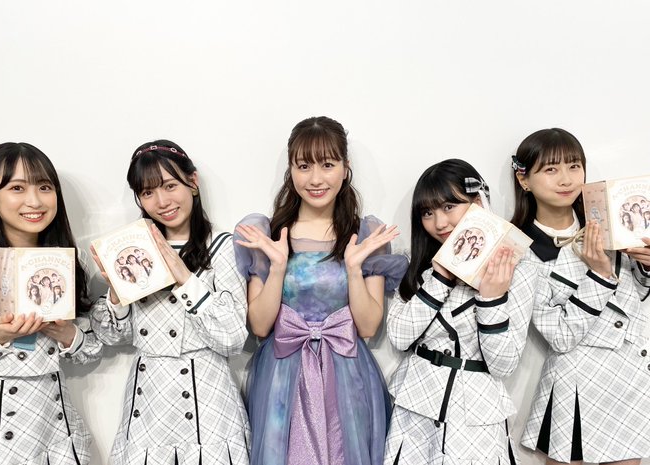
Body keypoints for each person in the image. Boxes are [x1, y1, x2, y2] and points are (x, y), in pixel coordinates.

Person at [234, 116, 407, 465]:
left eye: (327, 165)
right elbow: (261, 327)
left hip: (347, 376)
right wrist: (278, 266)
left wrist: (354, 268)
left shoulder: (366, 234)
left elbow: (368, 327)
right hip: (282, 377)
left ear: (345, 168)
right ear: (291, 170)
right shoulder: (267, 234)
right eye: (304, 166)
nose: (315, 179)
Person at [90, 140, 250, 464]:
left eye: (170, 185)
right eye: (148, 192)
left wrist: (184, 278)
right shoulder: (131, 249)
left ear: (193, 182)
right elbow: (112, 337)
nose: (162, 201)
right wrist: (117, 296)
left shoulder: (222, 246)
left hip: (208, 400)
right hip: (149, 398)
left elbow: (233, 339)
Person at [511, 128, 650, 464]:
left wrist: (647, 267)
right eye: (551, 169)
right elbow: (560, 335)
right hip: (578, 380)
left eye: (574, 166)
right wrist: (599, 275)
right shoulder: (519, 248)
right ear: (524, 179)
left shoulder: (609, 220)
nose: (566, 179)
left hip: (631, 375)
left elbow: (636, 299)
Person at [383, 158, 535, 465]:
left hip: (475, 413)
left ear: (478, 202)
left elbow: (503, 364)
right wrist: (441, 276)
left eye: (449, 206)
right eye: (427, 212)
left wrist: (491, 300)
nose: (439, 223)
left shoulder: (518, 264)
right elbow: (399, 336)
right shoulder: (417, 264)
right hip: (417, 405)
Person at [0, 142, 102, 464]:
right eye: (17, 188)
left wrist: (67, 334)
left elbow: (91, 348)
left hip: (54, 423)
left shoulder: (70, 262)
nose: (34, 201)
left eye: (44, 187)